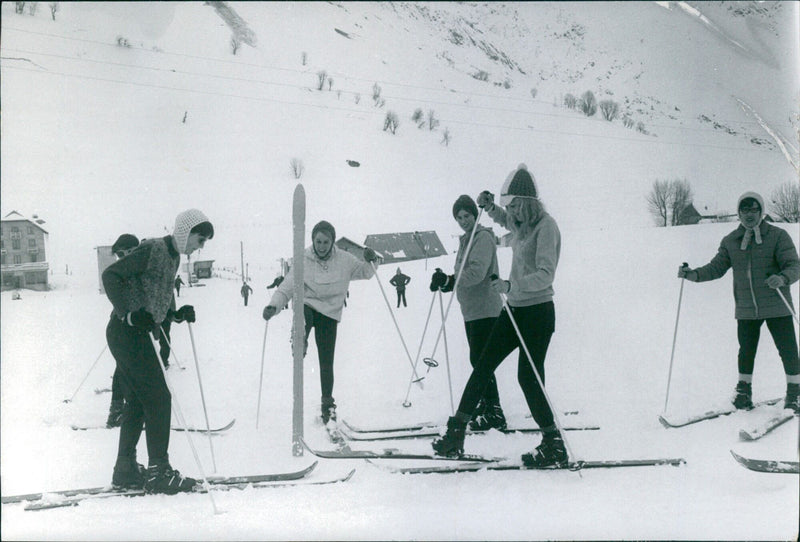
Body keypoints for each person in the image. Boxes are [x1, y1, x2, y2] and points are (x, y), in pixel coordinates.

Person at [432, 165, 566, 468]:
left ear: (528, 202)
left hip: (538, 311)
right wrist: (490, 207)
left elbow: (546, 275)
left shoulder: (546, 226)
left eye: (515, 205)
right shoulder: (521, 224)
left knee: (528, 378)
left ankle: (553, 442)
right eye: (509, 208)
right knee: (482, 366)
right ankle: (456, 434)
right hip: (514, 309)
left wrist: (511, 285)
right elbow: (505, 220)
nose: (512, 213)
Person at [102, 209, 214, 494]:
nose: (200, 246)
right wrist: (127, 314)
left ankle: (125, 469)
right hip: (126, 332)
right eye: (200, 239)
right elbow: (111, 275)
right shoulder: (152, 249)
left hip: (134, 333)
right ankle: (158, 472)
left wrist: (176, 314)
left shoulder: (174, 257)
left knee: (140, 400)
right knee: (159, 398)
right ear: (186, 233)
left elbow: (157, 293)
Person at [678, 192, 800, 413]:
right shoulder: (731, 241)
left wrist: (782, 278)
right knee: (746, 351)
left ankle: (795, 392)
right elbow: (716, 268)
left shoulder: (778, 236)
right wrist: (693, 275)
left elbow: (794, 265)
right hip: (746, 308)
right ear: (739, 213)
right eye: (744, 210)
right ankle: (743, 392)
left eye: (753, 210)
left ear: (761, 211)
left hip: (777, 304)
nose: (749, 215)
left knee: (788, 350)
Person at [262, 220, 380, 424]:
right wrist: (274, 306)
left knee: (327, 362)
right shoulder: (303, 260)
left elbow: (366, 272)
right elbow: (287, 288)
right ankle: (299, 338)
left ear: (332, 241)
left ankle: (327, 403)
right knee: (303, 309)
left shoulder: (345, 259)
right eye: (318, 241)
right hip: (307, 307)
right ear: (312, 240)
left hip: (330, 314)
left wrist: (372, 259)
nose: (322, 246)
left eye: (326, 242)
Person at [430, 194, 506, 431]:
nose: (463, 220)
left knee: (481, 361)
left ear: (475, 214)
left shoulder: (481, 238)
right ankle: (486, 404)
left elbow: (476, 272)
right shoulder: (466, 240)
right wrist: (445, 282)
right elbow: (462, 273)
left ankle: (495, 410)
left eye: (467, 215)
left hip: (486, 307)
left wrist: (452, 280)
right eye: (459, 217)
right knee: (478, 360)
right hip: (471, 309)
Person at [105, 233, 140, 428]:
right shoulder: (120, 271)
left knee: (123, 370)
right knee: (125, 371)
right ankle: (117, 413)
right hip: (120, 329)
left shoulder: (132, 268)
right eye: (122, 254)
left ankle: (121, 411)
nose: (124, 257)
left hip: (128, 328)